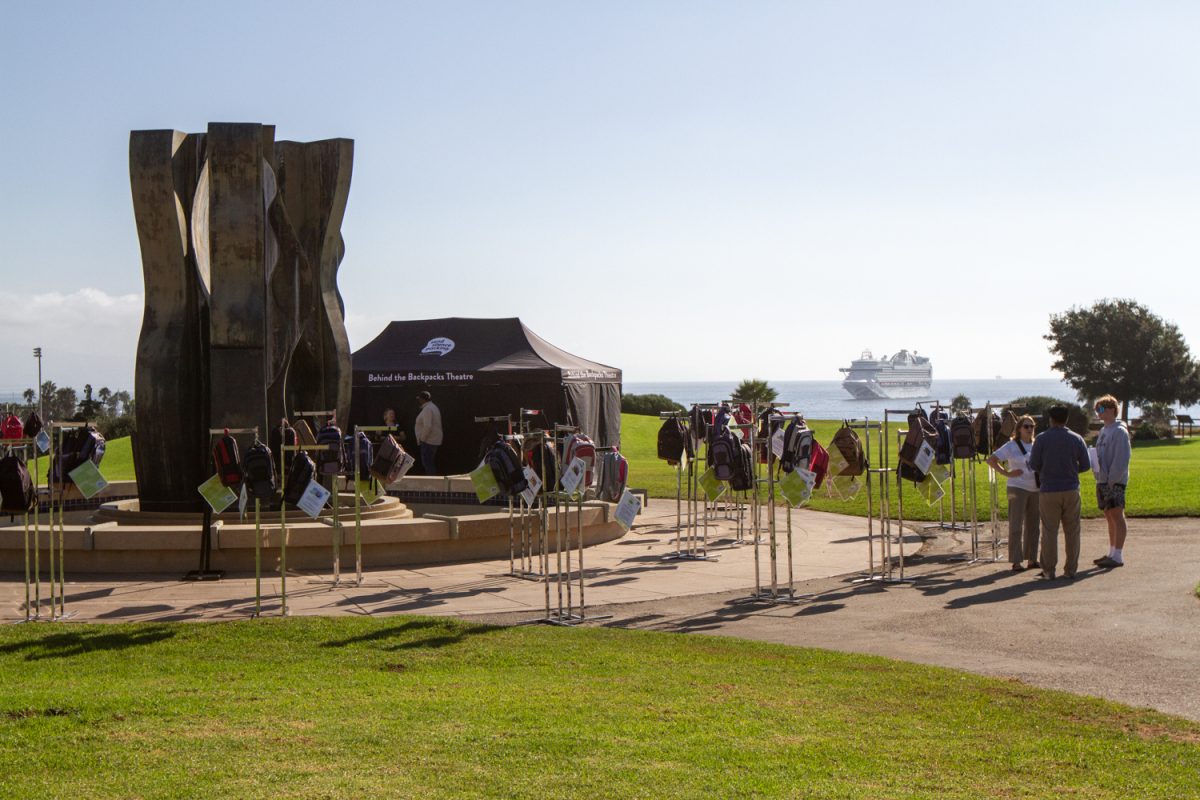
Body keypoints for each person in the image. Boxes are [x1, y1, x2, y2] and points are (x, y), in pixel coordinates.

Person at [1028, 405, 1090, 580]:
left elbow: (1033, 464)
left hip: (1049, 490)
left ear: (1051, 419)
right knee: (1072, 531)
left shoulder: (1041, 439)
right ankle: (1070, 569)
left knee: (1049, 531)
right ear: (1066, 419)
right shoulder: (1076, 439)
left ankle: (1049, 569)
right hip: (1071, 488)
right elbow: (1085, 465)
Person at [986, 414, 1040, 572]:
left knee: (1034, 525)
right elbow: (991, 460)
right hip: (1017, 487)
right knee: (1016, 524)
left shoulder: (1037, 444)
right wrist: (1007, 473)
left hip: (1035, 488)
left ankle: (1032, 559)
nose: (1030, 429)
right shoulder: (1012, 445)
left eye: (1032, 426)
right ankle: (1016, 561)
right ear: (1019, 429)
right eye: (1026, 426)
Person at [1092, 395, 1131, 569]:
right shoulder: (1103, 431)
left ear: (1111, 409)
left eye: (1101, 409)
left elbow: (1121, 460)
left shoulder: (1119, 431)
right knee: (1109, 516)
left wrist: (1112, 480)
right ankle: (1111, 552)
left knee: (1117, 515)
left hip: (1114, 482)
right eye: (1097, 410)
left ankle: (1118, 555)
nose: (1098, 413)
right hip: (1102, 479)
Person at [413, 391, 443, 475]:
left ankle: (432, 484)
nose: (418, 401)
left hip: (428, 441)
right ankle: (432, 483)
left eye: (419, 399)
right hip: (432, 440)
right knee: (429, 463)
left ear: (423, 399)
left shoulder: (428, 409)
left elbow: (428, 426)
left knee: (428, 464)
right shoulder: (433, 407)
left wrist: (422, 439)